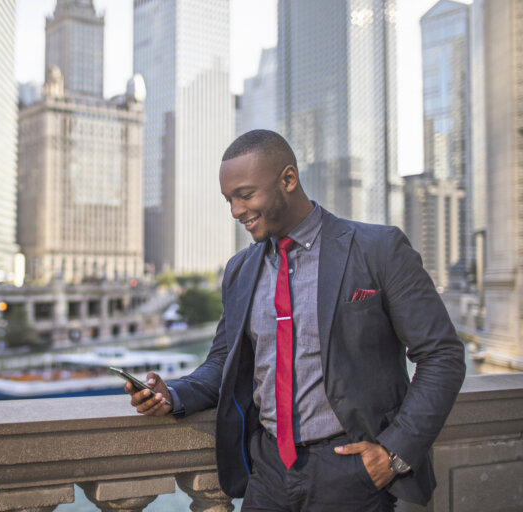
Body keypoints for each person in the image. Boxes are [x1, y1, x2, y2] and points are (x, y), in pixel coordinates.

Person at [125, 130, 466, 511]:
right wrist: (172, 394)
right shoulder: (240, 269)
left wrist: (394, 453)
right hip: (268, 471)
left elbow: (442, 356)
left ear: (288, 180)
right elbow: (225, 362)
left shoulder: (379, 249)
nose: (236, 211)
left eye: (245, 195)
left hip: (352, 473)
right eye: (229, 200)